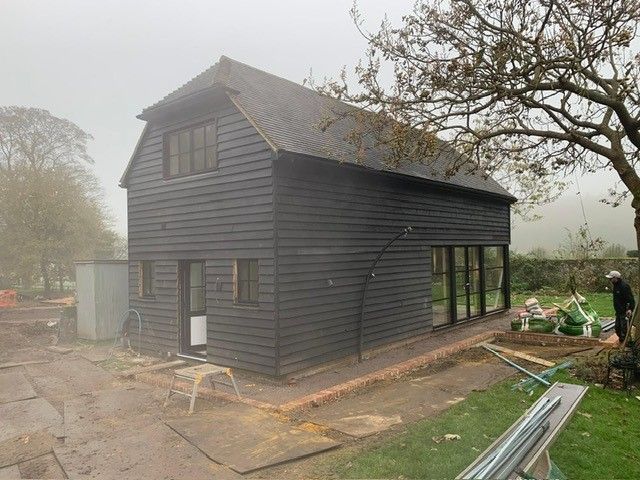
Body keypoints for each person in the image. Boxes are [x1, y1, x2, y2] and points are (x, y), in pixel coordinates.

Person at [605, 270, 635, 342]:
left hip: (625, 311)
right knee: (617, 328)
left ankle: (626, 343)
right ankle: (622, 342)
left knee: (624, 329)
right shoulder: (616, 286)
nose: (610, 280)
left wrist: (630, 309)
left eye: (611, 278)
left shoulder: (624, 286)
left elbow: (630, 299)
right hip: (618, 311)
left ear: (616, 278)